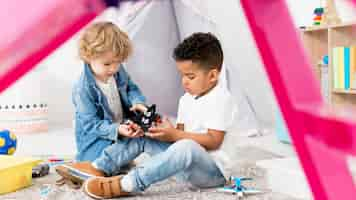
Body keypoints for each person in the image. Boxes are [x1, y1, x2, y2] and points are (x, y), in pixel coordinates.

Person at [82, 32, 237, 199]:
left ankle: (128, 184)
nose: (184, 81)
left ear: (212, 75)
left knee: (187, 147)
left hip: (211, 173)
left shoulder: (221, 99)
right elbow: (179, 134)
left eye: (190, 76)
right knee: (144, 134)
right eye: (182, 75)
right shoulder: (186, 99)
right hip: (182, 165)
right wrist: (165, 131)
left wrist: (176, 135)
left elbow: (214, 141)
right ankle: (99, 167)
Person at [55, 21, 170, 183]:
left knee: (149, 132)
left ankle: (173, 157)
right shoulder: (83, 89)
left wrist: (138, 102)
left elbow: (131, 88)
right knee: (113, 162)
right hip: (97, 141)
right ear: (88, 57)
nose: (114, 68)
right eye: (107, 64)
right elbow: (91, 125)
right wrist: (117, 129)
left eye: (118, 62)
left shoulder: (116, 70)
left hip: (121, 129)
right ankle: (92, 168)